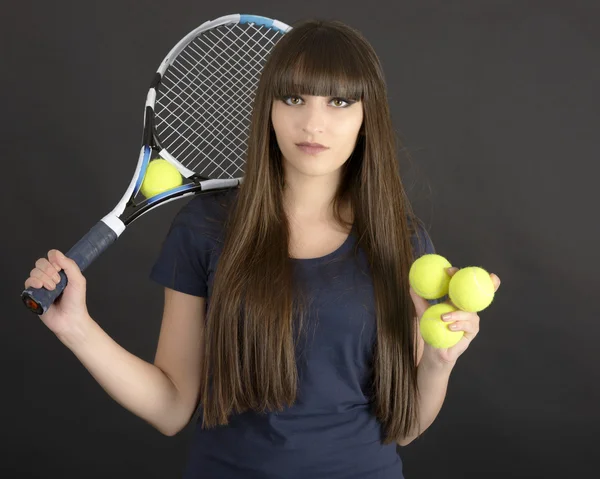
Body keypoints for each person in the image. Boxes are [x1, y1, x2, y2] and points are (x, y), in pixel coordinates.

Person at [24, 18, 500, 479]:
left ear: (366, 117)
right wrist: (77, 329)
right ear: (268, 110)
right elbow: (171, 407)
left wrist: (439, 363)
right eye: (294, 98)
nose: (313, 123)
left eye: (338, 102)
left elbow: (407, 427)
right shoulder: (205, 229)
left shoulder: (404, 243)